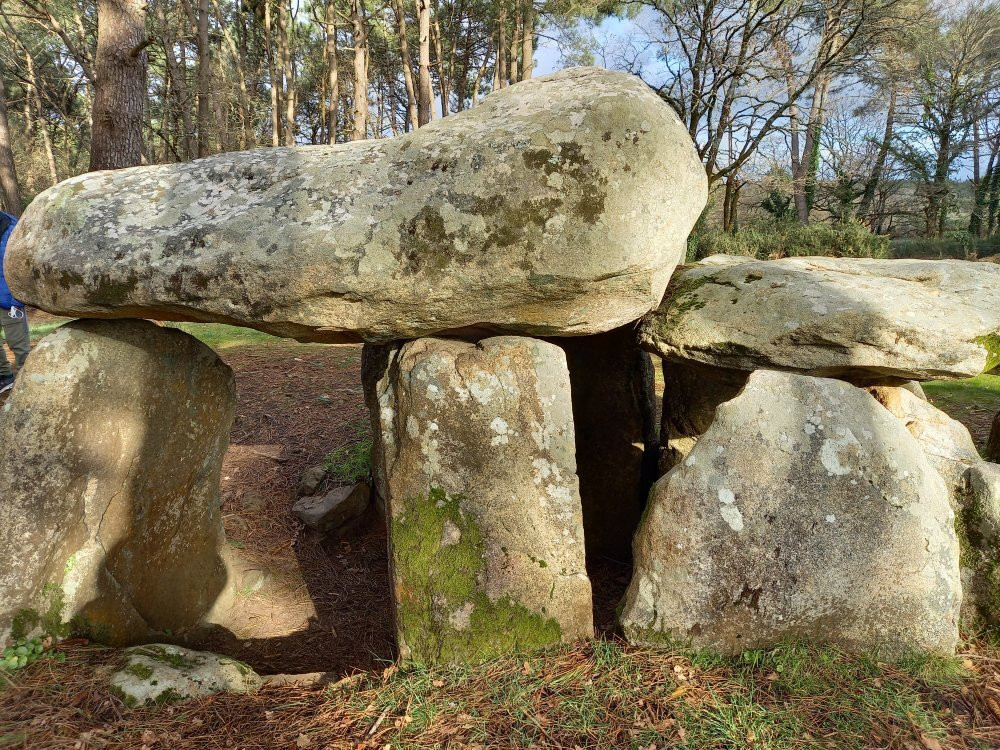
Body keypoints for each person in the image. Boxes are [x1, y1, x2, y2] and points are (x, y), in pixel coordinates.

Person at [0, 211, 29, 394]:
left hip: (10, 297)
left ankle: (28, 381)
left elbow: (21, 263)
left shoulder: (11, 226)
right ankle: (4, 377)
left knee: (18, 342)